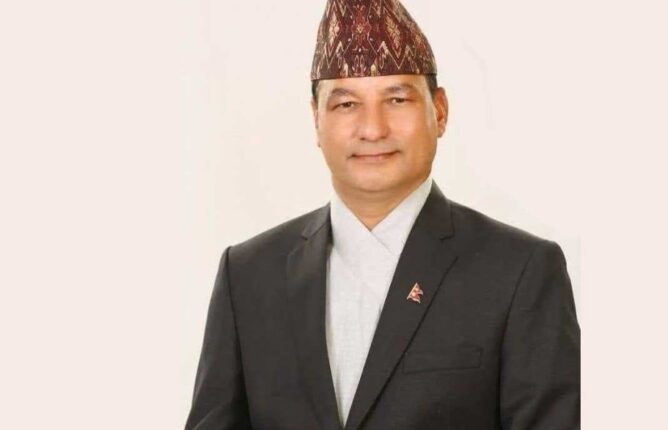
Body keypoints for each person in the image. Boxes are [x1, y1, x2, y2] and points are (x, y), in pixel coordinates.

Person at [184, 0, 580, 429]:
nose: (373, 129)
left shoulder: (518, 271)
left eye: (396, 99)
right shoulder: (248, 274)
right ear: (316, 119)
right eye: (346, 104)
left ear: (439, 111)